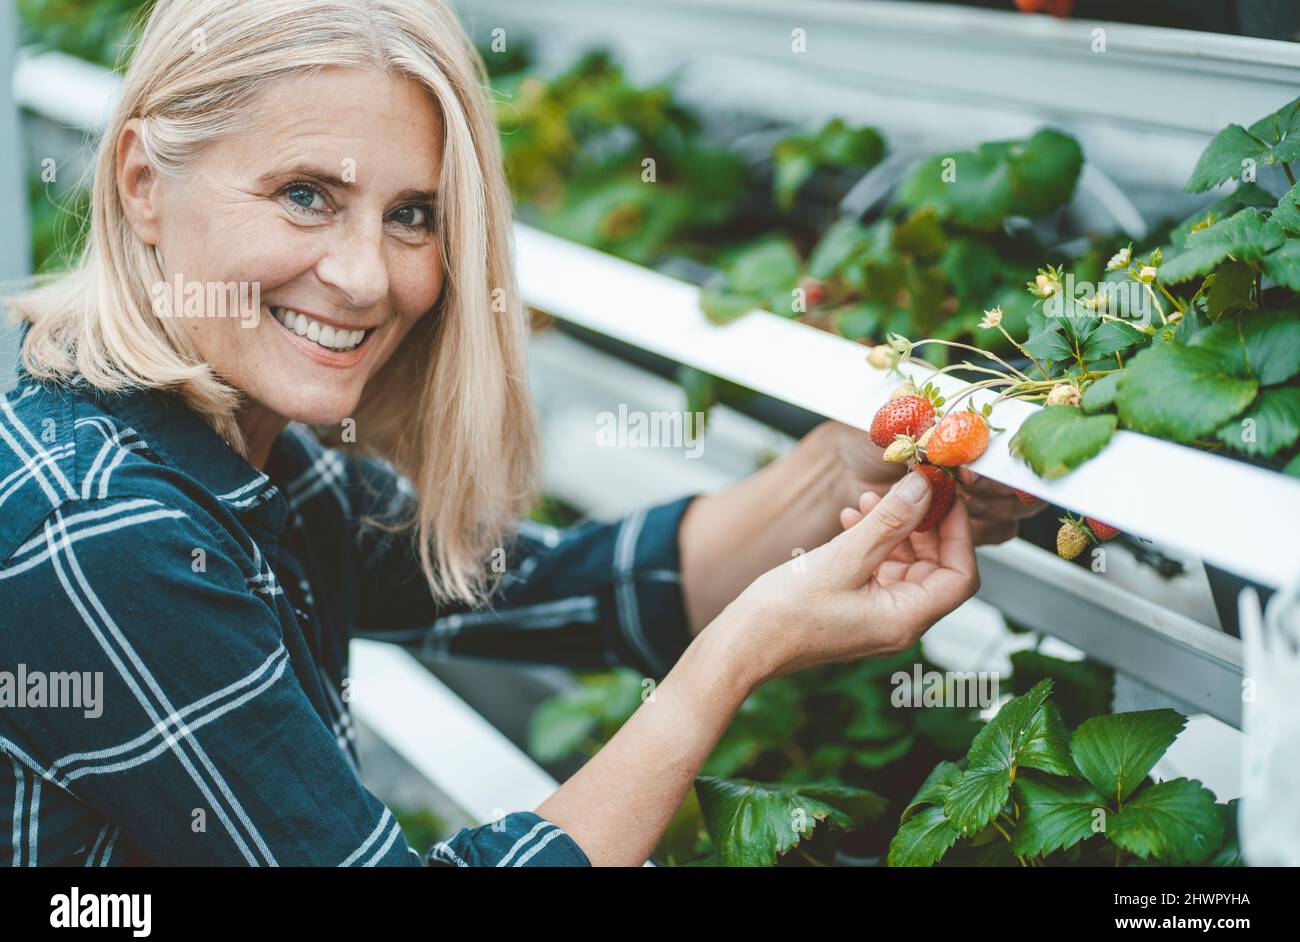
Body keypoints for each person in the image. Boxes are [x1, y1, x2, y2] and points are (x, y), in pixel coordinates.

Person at [0, 0, 1039, 867]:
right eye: (305, 195)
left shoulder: (234, 450)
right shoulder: (107, 531)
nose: (370, 278)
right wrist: (733, 663)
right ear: (142, 183)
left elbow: (562, 589)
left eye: (413, 214)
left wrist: (834, 471)